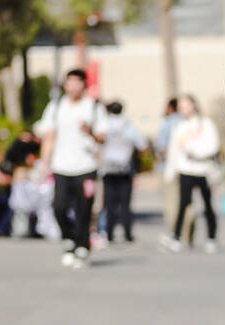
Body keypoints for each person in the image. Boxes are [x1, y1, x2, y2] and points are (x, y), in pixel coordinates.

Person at [37, 68, 107, 268]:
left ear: (84, 85)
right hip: (61, 166)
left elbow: (103, 137)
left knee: (84, 208)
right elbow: (49, 136)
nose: (73, 87)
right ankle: (69, 238)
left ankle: (83, 246)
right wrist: (45, 162)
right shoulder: (56, 106)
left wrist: (90, 132)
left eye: (77, 82)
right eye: (69, 82)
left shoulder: (93, 107)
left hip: (86, 167)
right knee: (59, 207)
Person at [160, 94, 220, 253]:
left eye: (185, 105)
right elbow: (173, 150)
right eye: (180, 106)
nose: (182, 109)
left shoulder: (205, 123)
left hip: (203, 171)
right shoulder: (179, 126)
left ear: (193, 105)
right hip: (185, 170)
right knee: (183, 204)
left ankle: (211, 238)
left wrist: (195, 151)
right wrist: (170, 172)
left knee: (207, 204)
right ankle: (176, 237)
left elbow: (213, 146)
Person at [99, 101, 148, 243]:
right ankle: (127, 233)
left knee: (108, 204)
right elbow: (143, 145)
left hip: (108, 170)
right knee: (125, 204)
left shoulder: (104, 125)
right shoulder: (128, 127)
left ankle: (109, 233)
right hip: (124, 170)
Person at [156, 98, 181, 244]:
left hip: (167, 168)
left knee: (171, 203)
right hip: (183, 168)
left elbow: (162, 148)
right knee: (184, 202)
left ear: (170, 108)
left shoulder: (168, 123)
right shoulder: (184, 122)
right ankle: (186, 235)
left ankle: (174, 233)